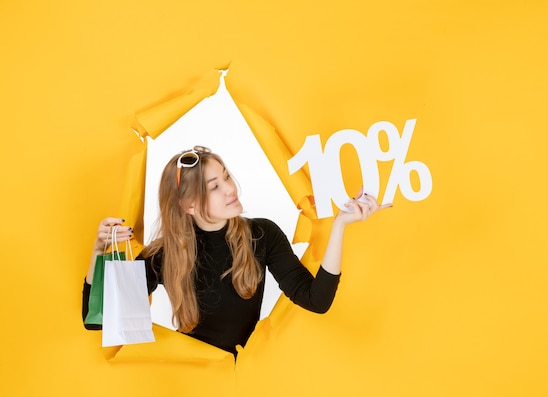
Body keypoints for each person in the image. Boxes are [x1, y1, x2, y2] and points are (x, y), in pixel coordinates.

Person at [82, 146, 388, 356]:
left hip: (247, 381)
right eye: (214, 187)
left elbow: (316, 300)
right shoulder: (164, 255)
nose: (230, 188)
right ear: (189, 205)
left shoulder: (262, 234)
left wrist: (339, 226)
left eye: (226, 176)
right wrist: (99, 253)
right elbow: (98, 320)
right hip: (194, 383)